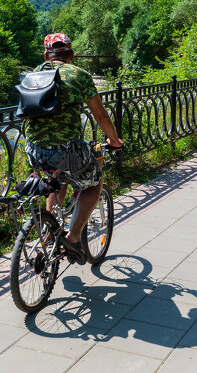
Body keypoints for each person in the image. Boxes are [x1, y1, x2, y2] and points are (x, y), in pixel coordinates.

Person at [23, 33, 124, 263]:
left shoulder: (34, 74)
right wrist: (114, 141)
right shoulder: (78, 74)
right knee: (94, 182)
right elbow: (99, 114)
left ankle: (49, 234)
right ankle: (74, 236)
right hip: (66, 150)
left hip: (34, 149)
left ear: (45, 54)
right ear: (71, 54)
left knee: (54, 179)